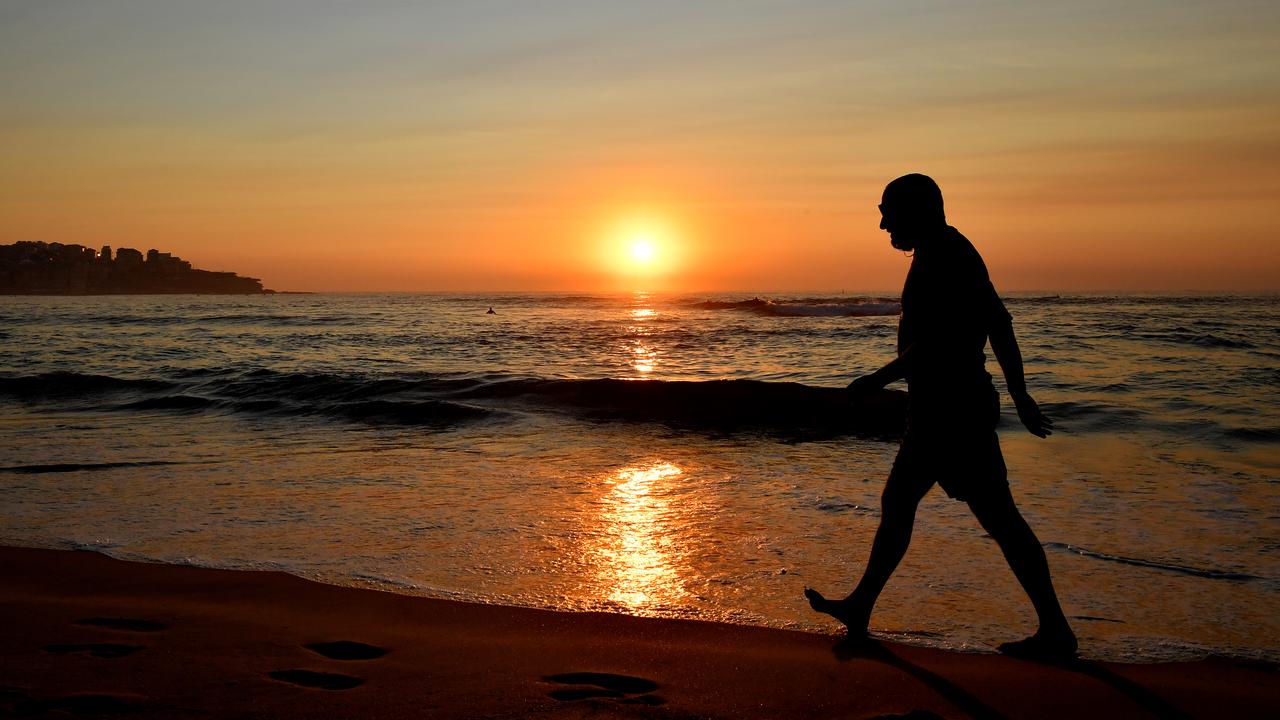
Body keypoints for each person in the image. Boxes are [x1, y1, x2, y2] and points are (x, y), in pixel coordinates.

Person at [805, 173, 1077, 660]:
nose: (883, 223)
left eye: (889, 212)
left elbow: (936, 344)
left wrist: (877, 379)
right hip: (940, 411)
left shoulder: (947, 257)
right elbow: (999, 324)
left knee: (1000, 519)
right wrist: (1019, 394)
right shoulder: (945, 252)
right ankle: (862, 605)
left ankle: (1056, 630)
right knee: (900, 502)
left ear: (919, 210)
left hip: (954, 415)